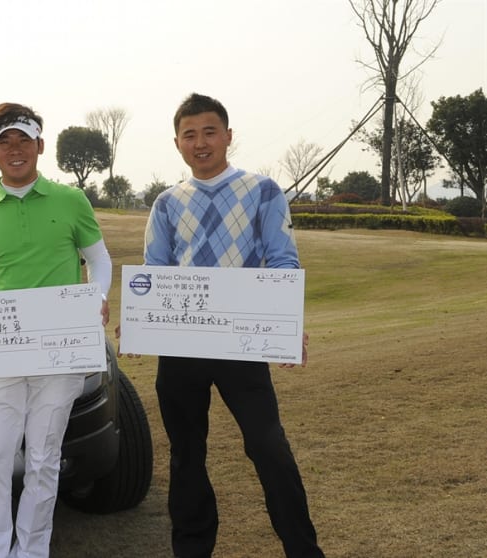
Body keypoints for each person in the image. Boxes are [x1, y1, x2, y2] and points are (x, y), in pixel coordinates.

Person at [143, 93, 324, 558]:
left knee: (269, 448)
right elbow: (155, 275)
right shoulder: (166, 203)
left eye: (209, 132)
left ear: (227, 135)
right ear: (177, 143)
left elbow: (283, 261)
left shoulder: (262, 190)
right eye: (189, 135)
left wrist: (286, 327)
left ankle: (304, 549)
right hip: (182, 347)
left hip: (241, 343)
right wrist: (141, 323)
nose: (200, 142)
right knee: (186, 456)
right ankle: (192, 549)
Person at [0, 102, 112, 558]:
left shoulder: (71, 201)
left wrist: (97, 299)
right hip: (2, 352)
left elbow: (99, 262)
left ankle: (30, 551)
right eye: (5, 141)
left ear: (40, 146)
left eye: (23, 140)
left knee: (44, 460)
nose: (15, 149)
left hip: (59, 351)